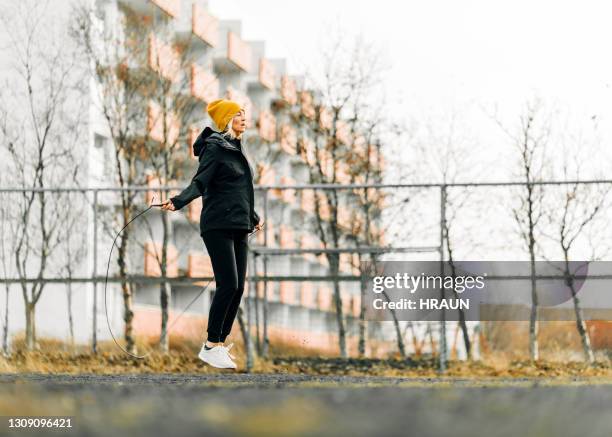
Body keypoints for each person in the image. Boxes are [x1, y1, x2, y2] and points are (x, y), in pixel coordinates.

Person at [160, 99, 263, 369]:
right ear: (226, 120)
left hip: (239, 224)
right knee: (227, 283)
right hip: (218, 224)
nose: (244, 117)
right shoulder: (215, 148)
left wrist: (253, 217)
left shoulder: (236, 148)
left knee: (238, 288)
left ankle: (218, 344)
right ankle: (210, 344)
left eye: (244, 113)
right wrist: (179, 201)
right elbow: (200, 182)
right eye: (238, 114)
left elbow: (239, 189)